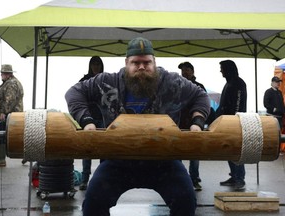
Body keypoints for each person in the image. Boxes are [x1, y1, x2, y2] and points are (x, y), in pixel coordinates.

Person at [65, 37, 211, 216]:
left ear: (154, 62)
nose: (141, 67)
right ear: (126, 63)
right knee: (93, 203)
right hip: (118, 161)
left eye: (146, 62)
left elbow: (201, 96)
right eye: (135, 62)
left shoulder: (172, 82)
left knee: (186, 199)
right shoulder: (107, 82)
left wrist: (197, 122)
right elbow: (74, 92)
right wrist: (87, 121)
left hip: (164, 161)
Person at [217, 60, 247, 190]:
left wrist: (234, 120)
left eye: (222, 68)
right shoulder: (228, 83)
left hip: (235, 122)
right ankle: (234, 176)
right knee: (229, 150)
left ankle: (240, 178)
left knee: (237, 150)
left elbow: (238, 104)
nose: (220, 71)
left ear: (228, 69)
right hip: (227, 121)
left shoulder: (238, 83)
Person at [178, 61, 206, 191]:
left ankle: (194, 180)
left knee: (194, 155)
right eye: (182, 70)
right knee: (177, 155)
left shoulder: (199, 87)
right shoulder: (177, 86)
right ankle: (179, 179)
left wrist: (198, 122)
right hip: (178, 125)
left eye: (186, 70)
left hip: (194, 125)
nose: (184, 73)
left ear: (192, 71)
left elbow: (204, 105)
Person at [79, 56, 104, 191]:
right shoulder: (84, 81)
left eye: (98, 64)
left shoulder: (106, 80)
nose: (96, 66)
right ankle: (84, 180)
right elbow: (78, 97)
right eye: (93, 64)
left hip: (102, 119)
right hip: (88, 119)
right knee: (86, 150)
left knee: (102, 150)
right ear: (90, 65)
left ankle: (101, 179)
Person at [0, 64, 24, 167]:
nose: (1, 75)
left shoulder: (11, 84)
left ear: (7, 74)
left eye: (2, 73)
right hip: (12, 116)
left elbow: (9, 100)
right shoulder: (9, 83)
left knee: (0, 137)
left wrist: (3, 112)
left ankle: (0, 160)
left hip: (10, 116)